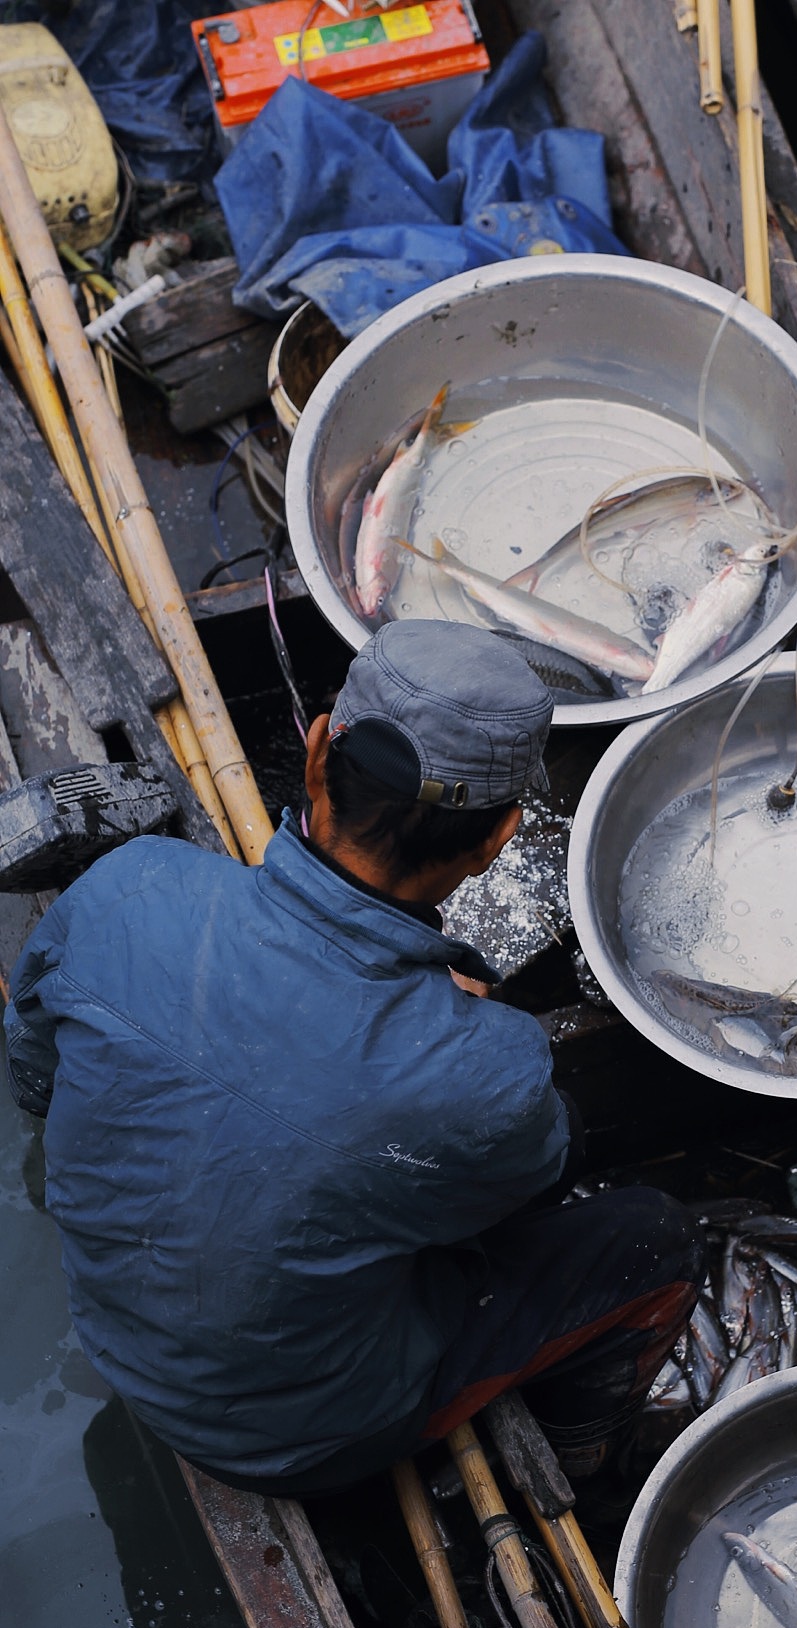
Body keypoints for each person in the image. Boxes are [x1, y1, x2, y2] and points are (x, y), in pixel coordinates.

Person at [4, 620, 704, 1497]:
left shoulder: (131, 885)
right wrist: (457, 1037)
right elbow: (542, 1169)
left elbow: (34, 1069)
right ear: (498, 841)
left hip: (114, 1335)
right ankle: (588, 1459)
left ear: (314, 755)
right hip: (299, 1436)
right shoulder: (483, 1073)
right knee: (654, 1240)